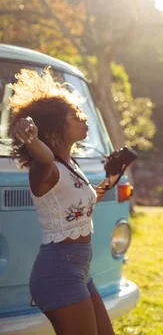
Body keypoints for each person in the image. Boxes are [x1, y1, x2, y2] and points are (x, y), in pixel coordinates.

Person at [9, 68, 125, 335]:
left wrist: (111, 177)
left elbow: (83, 206)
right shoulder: (45, 168)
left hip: (79, 269)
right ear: (53, 128)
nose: (84, 119)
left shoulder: (70, 165)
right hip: (58, 271)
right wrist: (32, 138)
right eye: (75, 115)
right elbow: (45, 158)